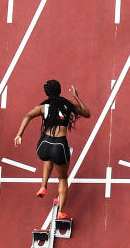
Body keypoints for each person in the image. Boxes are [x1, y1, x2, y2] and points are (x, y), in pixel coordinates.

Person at [13, 80, 90, 219]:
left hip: (43, 145)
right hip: (60, 145)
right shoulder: (68, 104)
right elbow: (86, 113)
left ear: (47, 93)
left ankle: (43, 186)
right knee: (62, 178)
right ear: (60, 90)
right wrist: (76, 97)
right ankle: (61, 211)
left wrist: (19, 134)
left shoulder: (43, 107)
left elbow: (27, 116)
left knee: (48, 157)